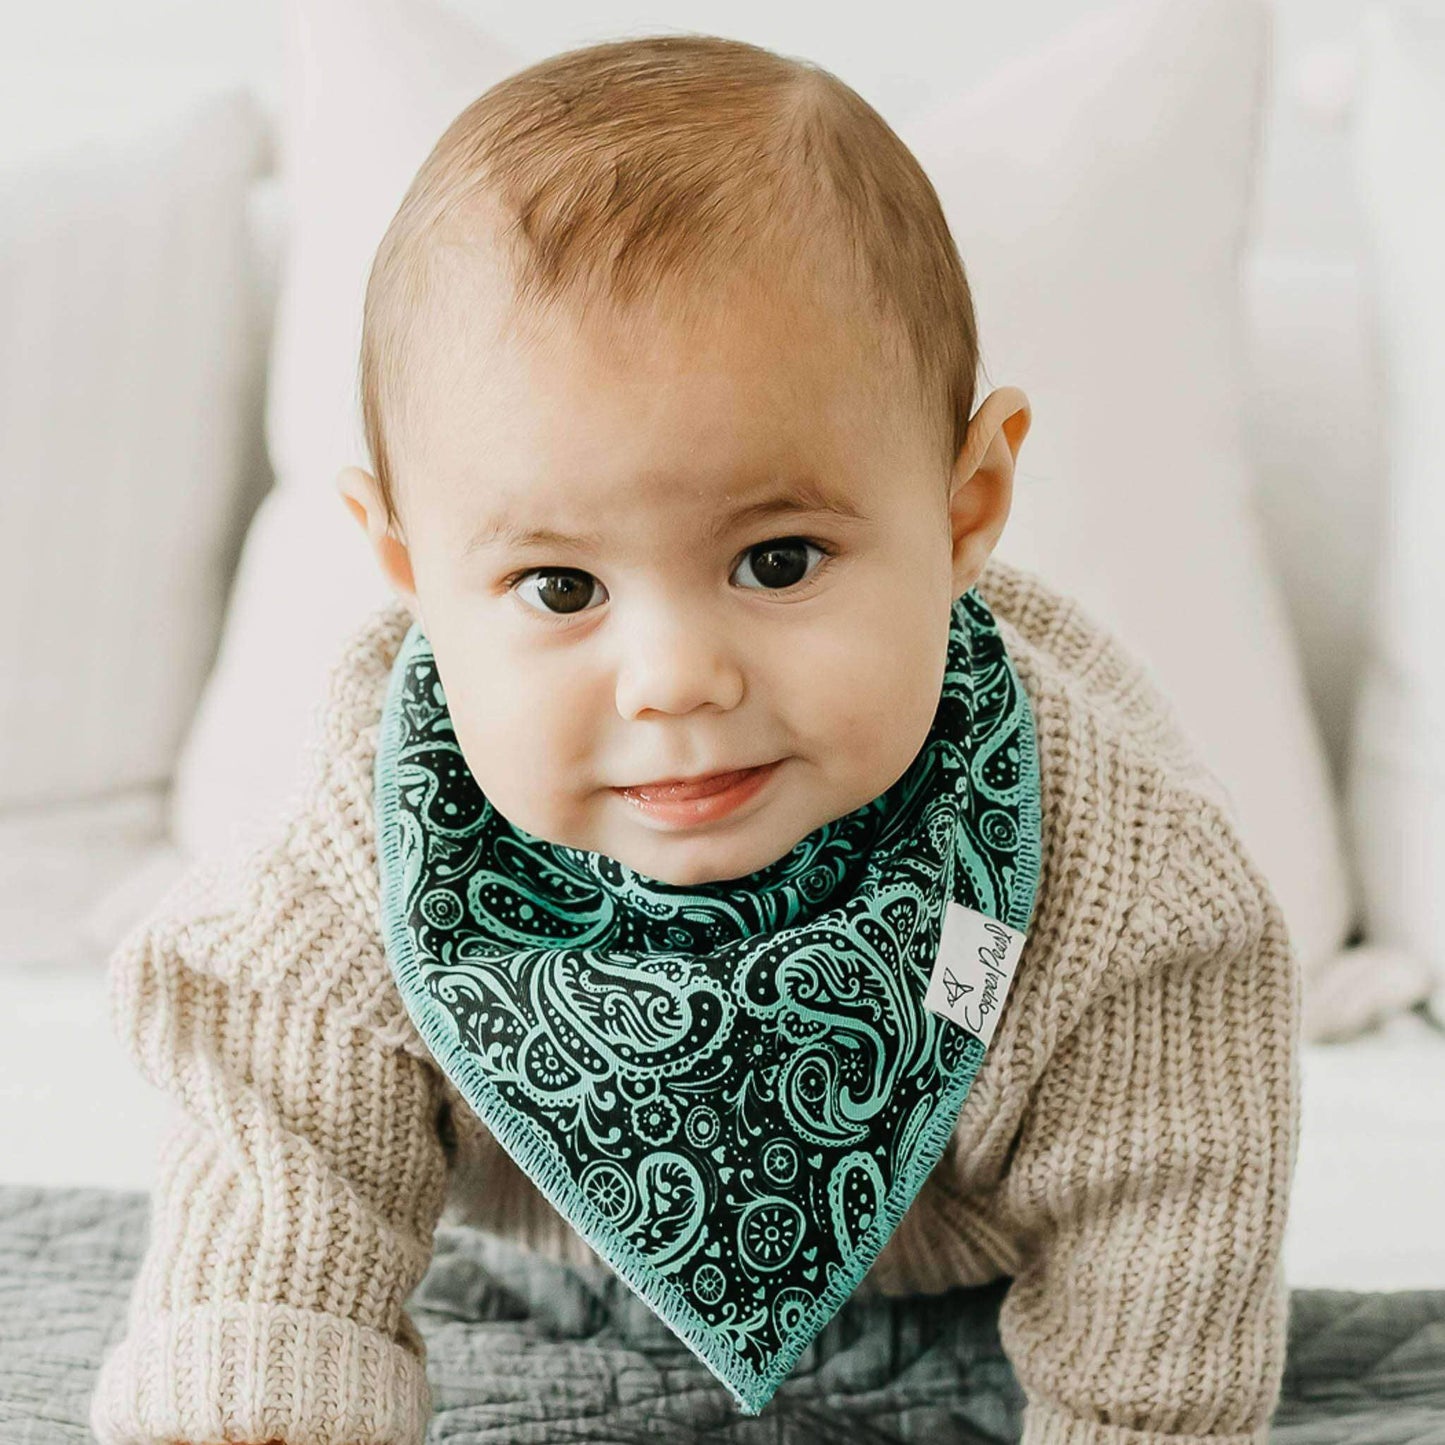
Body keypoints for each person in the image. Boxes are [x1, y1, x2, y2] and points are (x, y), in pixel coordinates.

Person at [89, 32, 1301, 1445]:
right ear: (409, 567)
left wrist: (1140, 1413)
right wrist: (258, 1375)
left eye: (778, 561)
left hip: (961, 1254)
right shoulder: (358, 852)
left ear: (964, 505)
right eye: (560, 588)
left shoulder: (1118, 877)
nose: (670, 681)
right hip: (534, 1237)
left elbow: (1172, 1202)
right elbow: (276, 1156)